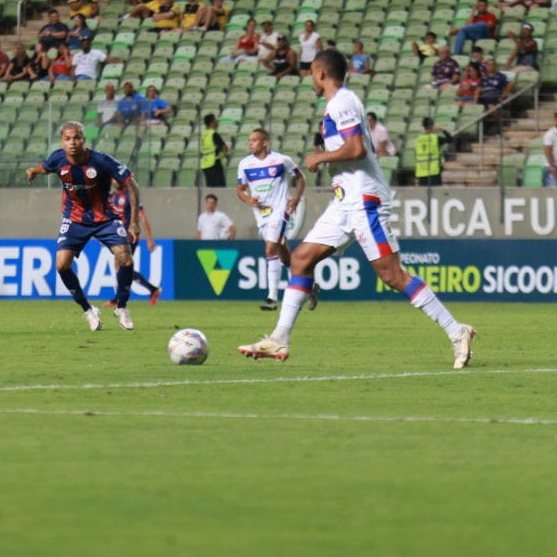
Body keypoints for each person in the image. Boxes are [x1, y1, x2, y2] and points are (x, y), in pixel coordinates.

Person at [239, 49, 476, 368]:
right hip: (345, 201)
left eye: (311, 72)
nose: (310, 77)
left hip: (364, 199)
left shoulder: (342, 102)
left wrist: (320, 157)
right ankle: (280, 338)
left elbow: (357, 148)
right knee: (300, 260)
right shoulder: (335, 106)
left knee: (391, 275)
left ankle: (456, 330)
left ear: (321, 73)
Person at [23, 122, 143, 331]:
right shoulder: (58, 158)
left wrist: (133, 222)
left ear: (83, 139)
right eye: (67, 139)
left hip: (105, 217)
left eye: (76, 138)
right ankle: (88, 310)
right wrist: (33, 170)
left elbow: (132, 185)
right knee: (61, 265)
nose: (72, 142)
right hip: (75, 219)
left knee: (126, 258)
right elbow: (46, 167)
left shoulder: (101, 160)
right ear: (62, 141)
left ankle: (122, 307)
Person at [235, 128, 312, 311]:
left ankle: (272, 298)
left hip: (280, 210)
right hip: (261, 214)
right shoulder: (245, 164)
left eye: (254, 140)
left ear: (265, 142)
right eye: (249, 140)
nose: (250, 143)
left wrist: (295, 198)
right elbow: (240, 190)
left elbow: (300, 178)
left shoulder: (281, 160)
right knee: (283, 253)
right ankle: (306, 285)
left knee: (270, 250)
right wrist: (248, 199)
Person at [413, 116, 449, 186]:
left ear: (423, 126)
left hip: (421, 172)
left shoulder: (418, 139)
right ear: (432, 126)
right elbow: (450, 139)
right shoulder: (435, 138)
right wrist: (442, 130)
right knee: (436, 195)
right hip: (434, 171)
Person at [200, 113, 229, 187]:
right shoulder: (213, 134)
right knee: (219, 187)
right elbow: (224, 148)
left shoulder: (204, 134)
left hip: (205, 163)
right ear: (212, 122)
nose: (217, 121)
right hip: (214, 163)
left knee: (210, 187)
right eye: (215, 119)